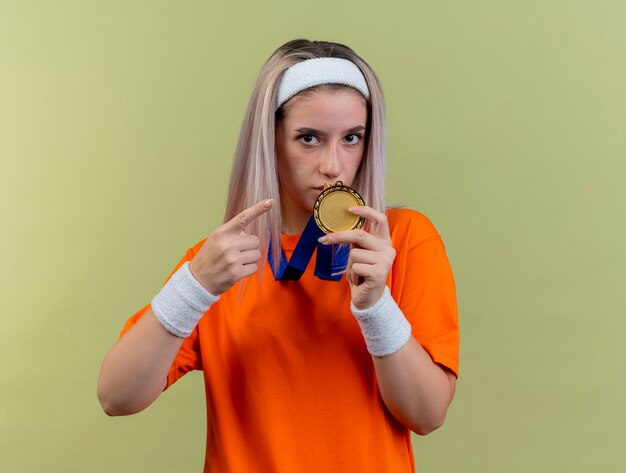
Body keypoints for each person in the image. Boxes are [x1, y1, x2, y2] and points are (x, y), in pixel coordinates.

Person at [97, 39, 459, 472]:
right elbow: (115, 397)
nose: (333, 165)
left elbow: (427, 414)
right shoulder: (220, 262)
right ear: (269, 140)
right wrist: (194, 287)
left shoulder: (400, 240)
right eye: (309, 138)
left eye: (351, 138)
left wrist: (377, 306)